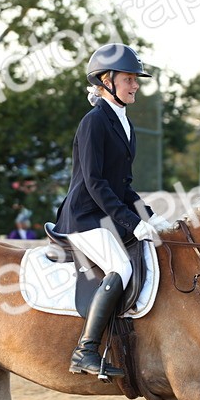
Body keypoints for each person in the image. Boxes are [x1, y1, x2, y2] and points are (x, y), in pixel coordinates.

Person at [54, 43, 170, 379]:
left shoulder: (124, 124)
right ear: (107, 80)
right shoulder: (94, 122)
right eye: (129, 79)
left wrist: (148, 216)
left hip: (104, 216)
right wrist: (132, 223)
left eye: (136, 79)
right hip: (84, 218)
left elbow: (123, 186)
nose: (135, 85)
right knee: (121, 267)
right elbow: (95, 183)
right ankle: (85, 351)